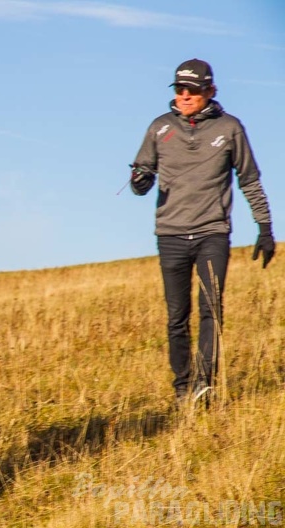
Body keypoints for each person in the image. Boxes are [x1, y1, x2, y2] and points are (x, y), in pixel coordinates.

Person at [130, 58, 275, 408]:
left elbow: (249, 179)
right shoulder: (159, 128)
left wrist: (265, 227)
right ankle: (183, 388)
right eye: (179, 90)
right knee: (176, 317)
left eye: (192, 90)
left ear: (210, 91)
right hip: (171, 234)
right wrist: (140, 181)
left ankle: (203, 385)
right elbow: (141, 175)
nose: (185, 96)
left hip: (213, 231)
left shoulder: (230, 128)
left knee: (212, 308)